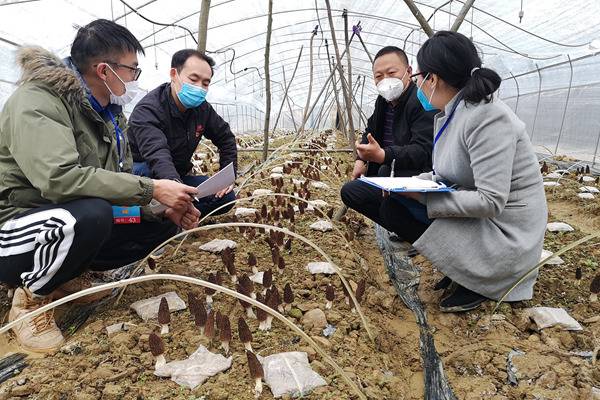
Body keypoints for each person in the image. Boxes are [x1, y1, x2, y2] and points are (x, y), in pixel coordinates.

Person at [0, 19, 200, 352]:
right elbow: (59, 179)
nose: (135, 78)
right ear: (104, 70)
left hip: (63, 222)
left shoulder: (108, 113)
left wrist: (158, 210)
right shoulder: (37, 101)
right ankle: (31, 301)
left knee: (154, 220)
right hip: (17, 227)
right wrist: (151, 188)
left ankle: (65, 276)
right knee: (91, 215)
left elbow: (113, 191)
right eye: (132, 69)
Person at [395, 31, 546, 312]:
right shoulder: (456, 112)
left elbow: (491, 200)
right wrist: (414, 183)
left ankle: (481, 279)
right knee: (383, 198)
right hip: (486, 223)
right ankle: (462, 272)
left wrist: (425, 198)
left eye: (417, 77)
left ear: (433, 79)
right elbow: (449, 173)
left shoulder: (488, 118)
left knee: (390, 206)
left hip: (507, 238)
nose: (417, 85)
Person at [128, 49, 237, 218]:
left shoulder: (202, 109)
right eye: (193, 79)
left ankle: (177, 218)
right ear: (174, 74)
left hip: (179, 176)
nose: (199, 88)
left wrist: (226, 177)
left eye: (206, 83)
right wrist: (175, 190)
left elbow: (226, 138)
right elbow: (157, 156)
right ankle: (162, 216)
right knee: (146, 171)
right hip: (147, 179)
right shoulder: (149, 110)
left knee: (226, 197)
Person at [340, 46, 436, 231]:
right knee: (351, 192)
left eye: (391, 73)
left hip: (417, 177)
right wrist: (361, 159)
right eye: (379, 76)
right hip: (389, 172)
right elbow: (370, 130)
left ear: (408, 72)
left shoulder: (421, 102)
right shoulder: (382, 101)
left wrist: (384, 155)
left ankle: (420, 232)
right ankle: (397, 222)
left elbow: (424, 151)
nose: (385, 80)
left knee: (388, 201)